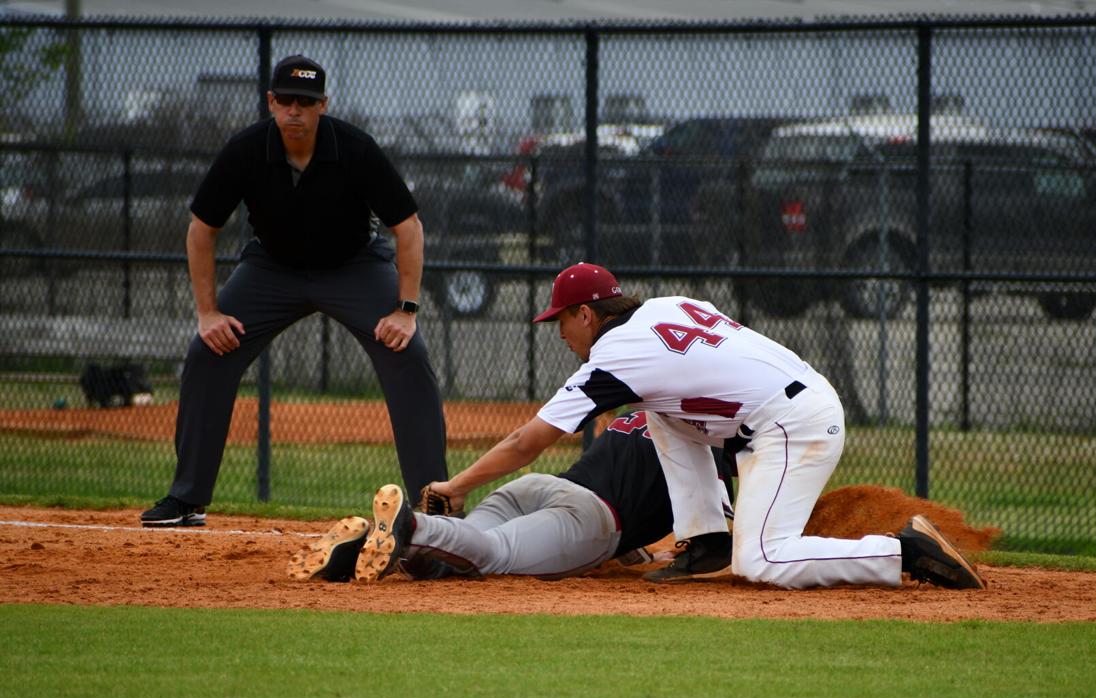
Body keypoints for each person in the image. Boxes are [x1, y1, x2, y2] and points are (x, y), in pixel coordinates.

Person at [420, 262, 984, 590]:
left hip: (791, 423)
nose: (560, 333)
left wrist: (456, 486)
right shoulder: (666, 304)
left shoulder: (616, 354)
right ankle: (706, 537)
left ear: (586, 315)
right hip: (789, 402)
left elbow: (530, 440)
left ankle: (900, 552)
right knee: (662, 412)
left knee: (762, 560)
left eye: (561, 320)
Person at [141, 54, 446, 527]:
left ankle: (433, 506)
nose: (294, 110)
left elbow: (408, 229)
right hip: (272, 268)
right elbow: (201, 230)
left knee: (407, 351)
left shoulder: (354, 148)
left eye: (306, 101)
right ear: (270, 102)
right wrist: (208, 313)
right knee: (208, 352)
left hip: (355, 266)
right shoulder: (245, 150)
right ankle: (186, 499)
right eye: (285, 100)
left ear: (323, 104)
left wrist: (406, 310)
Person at [286, 410, 734, 582]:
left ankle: (377, 544)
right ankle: (410, 525)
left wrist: (640, 554)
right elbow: (717, 537)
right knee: (494, 554)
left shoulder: (646, 414)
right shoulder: (707, 451)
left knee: (457, 555)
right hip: (588, 518)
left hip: (534, 488)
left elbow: (633, 489)